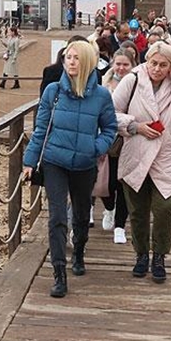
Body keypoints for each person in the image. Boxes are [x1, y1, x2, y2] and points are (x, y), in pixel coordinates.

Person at [23, 40, 118, 298]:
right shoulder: (53, 91)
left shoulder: (101, 96)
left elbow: (110, 128)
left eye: (76, 57)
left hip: (85, 164)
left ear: (86, 61)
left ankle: (78, 252)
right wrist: (29, 161)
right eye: (68, 57)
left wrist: (96, 147)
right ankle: (59, 273)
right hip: (55, 161)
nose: (71, 61)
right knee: (57, 217)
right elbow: (41, 128)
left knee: (80, 214)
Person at [111, 41, 171, 283]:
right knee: (137, 210)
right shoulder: (133, 80)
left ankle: (159, 255)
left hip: (166, 155)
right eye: (153, 63)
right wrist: (135, 126)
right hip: (137, 151)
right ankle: (141, 255)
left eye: (163, 65)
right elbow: (110, 112)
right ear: (146, 61)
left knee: (164, 209)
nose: (157, 69)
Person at [101, 48, 138, 244]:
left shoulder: (139, 85)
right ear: (112, 63)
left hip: (131, 138)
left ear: (132, 65)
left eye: (126, 64)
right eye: (118, 64)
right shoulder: (103, 82)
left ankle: (120, 226)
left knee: (124, 183)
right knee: (108, 182)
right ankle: (108, 208)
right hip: (108, 138)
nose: (121, 68)